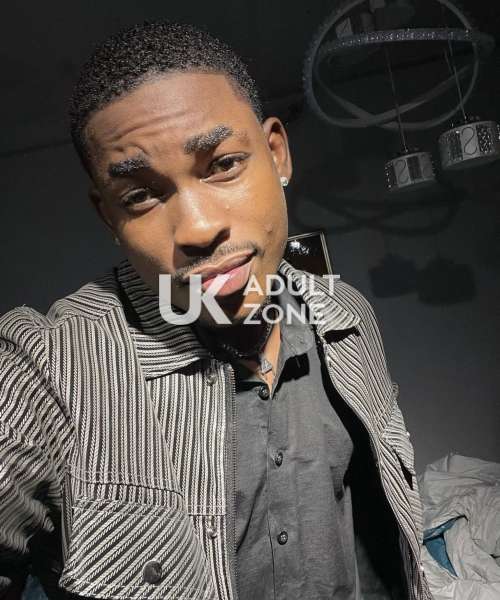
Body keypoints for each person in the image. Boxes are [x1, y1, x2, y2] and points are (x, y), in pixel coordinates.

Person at [0, 21, 431, 600]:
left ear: (276, 154)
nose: (199, 229)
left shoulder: (346, 317)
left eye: (223, 164)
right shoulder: (48, 370)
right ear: (109, 217)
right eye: (140, 195)